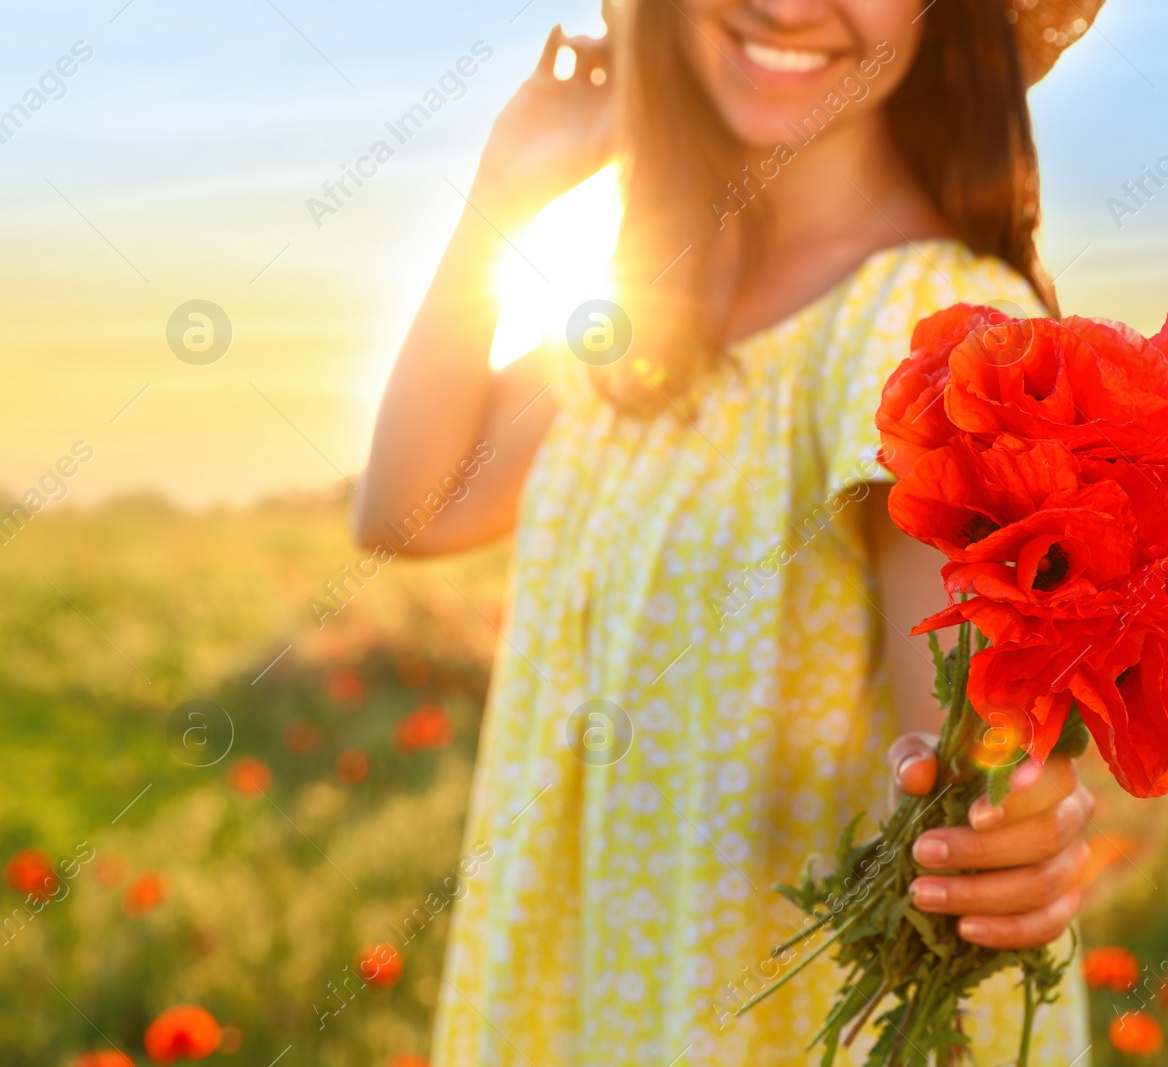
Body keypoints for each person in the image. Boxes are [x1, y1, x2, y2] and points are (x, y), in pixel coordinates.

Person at [356, 0, 1105, 1062]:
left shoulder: (927, 325)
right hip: (596, 999)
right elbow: (404, 506)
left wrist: (1013, 834)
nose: (789, 5)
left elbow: (956, 763)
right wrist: (504, 191)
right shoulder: (658, 306)